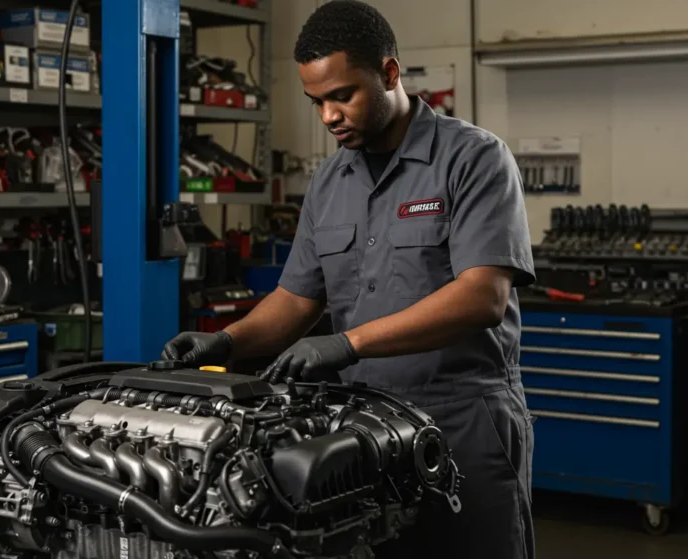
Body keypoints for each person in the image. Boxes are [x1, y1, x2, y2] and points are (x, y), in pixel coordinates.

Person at [162, 1, 536, 557]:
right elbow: (295, 299)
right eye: (317, 102)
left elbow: (483, 296)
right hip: (360, 426)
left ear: (390, 73)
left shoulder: (474, 158)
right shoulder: (330, 179)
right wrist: (227, 340)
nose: (329, 117)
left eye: (343, 96)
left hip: (462, 420)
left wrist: (346, 343)